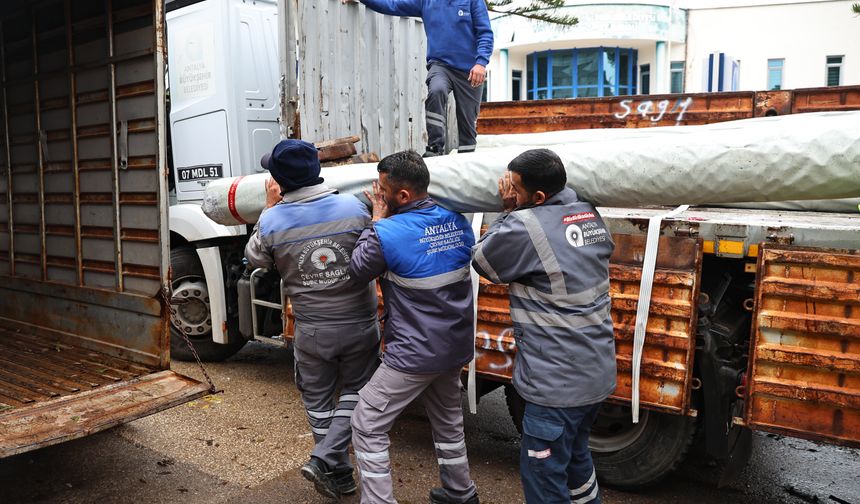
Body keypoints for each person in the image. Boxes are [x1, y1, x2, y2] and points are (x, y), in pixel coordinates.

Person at [470, 149, 616, 504]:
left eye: (515, 189)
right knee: (577, 459)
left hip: (556, 385)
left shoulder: (524, 223)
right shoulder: (588, 212)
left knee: (544, 479)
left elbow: (483, 261)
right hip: (596, 374)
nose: (509, 192)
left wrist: (508, 211)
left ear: (537, 197)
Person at [244, 139, 381, 500]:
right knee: (358, 391)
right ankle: (335, 467)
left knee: (318, 401)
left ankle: (337, 472)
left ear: (279, 180)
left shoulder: (272, 221)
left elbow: (255, 259)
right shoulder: (355, 208)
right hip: (360, 324)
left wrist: (268, 207)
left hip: (313, 330)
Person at [347, 150, 480, 504]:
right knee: (449, 422)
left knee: (366, 423)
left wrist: (377, 219)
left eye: (384, 189)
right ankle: (460, 491)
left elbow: (358, 270)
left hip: (414, 352)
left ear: (402, 196)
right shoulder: (456, 219)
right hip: (453, 346)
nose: (379, 193)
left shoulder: (386, 232)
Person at [348, 0, 493, 157]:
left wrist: (481, 63)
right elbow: (392, 5)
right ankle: (435, 147)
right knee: (437, 90)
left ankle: (467, 159)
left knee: (467, 124)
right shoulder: (426, 2)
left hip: (471, 70)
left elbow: (485, 33)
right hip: (441, 65)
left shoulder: (473, 1)